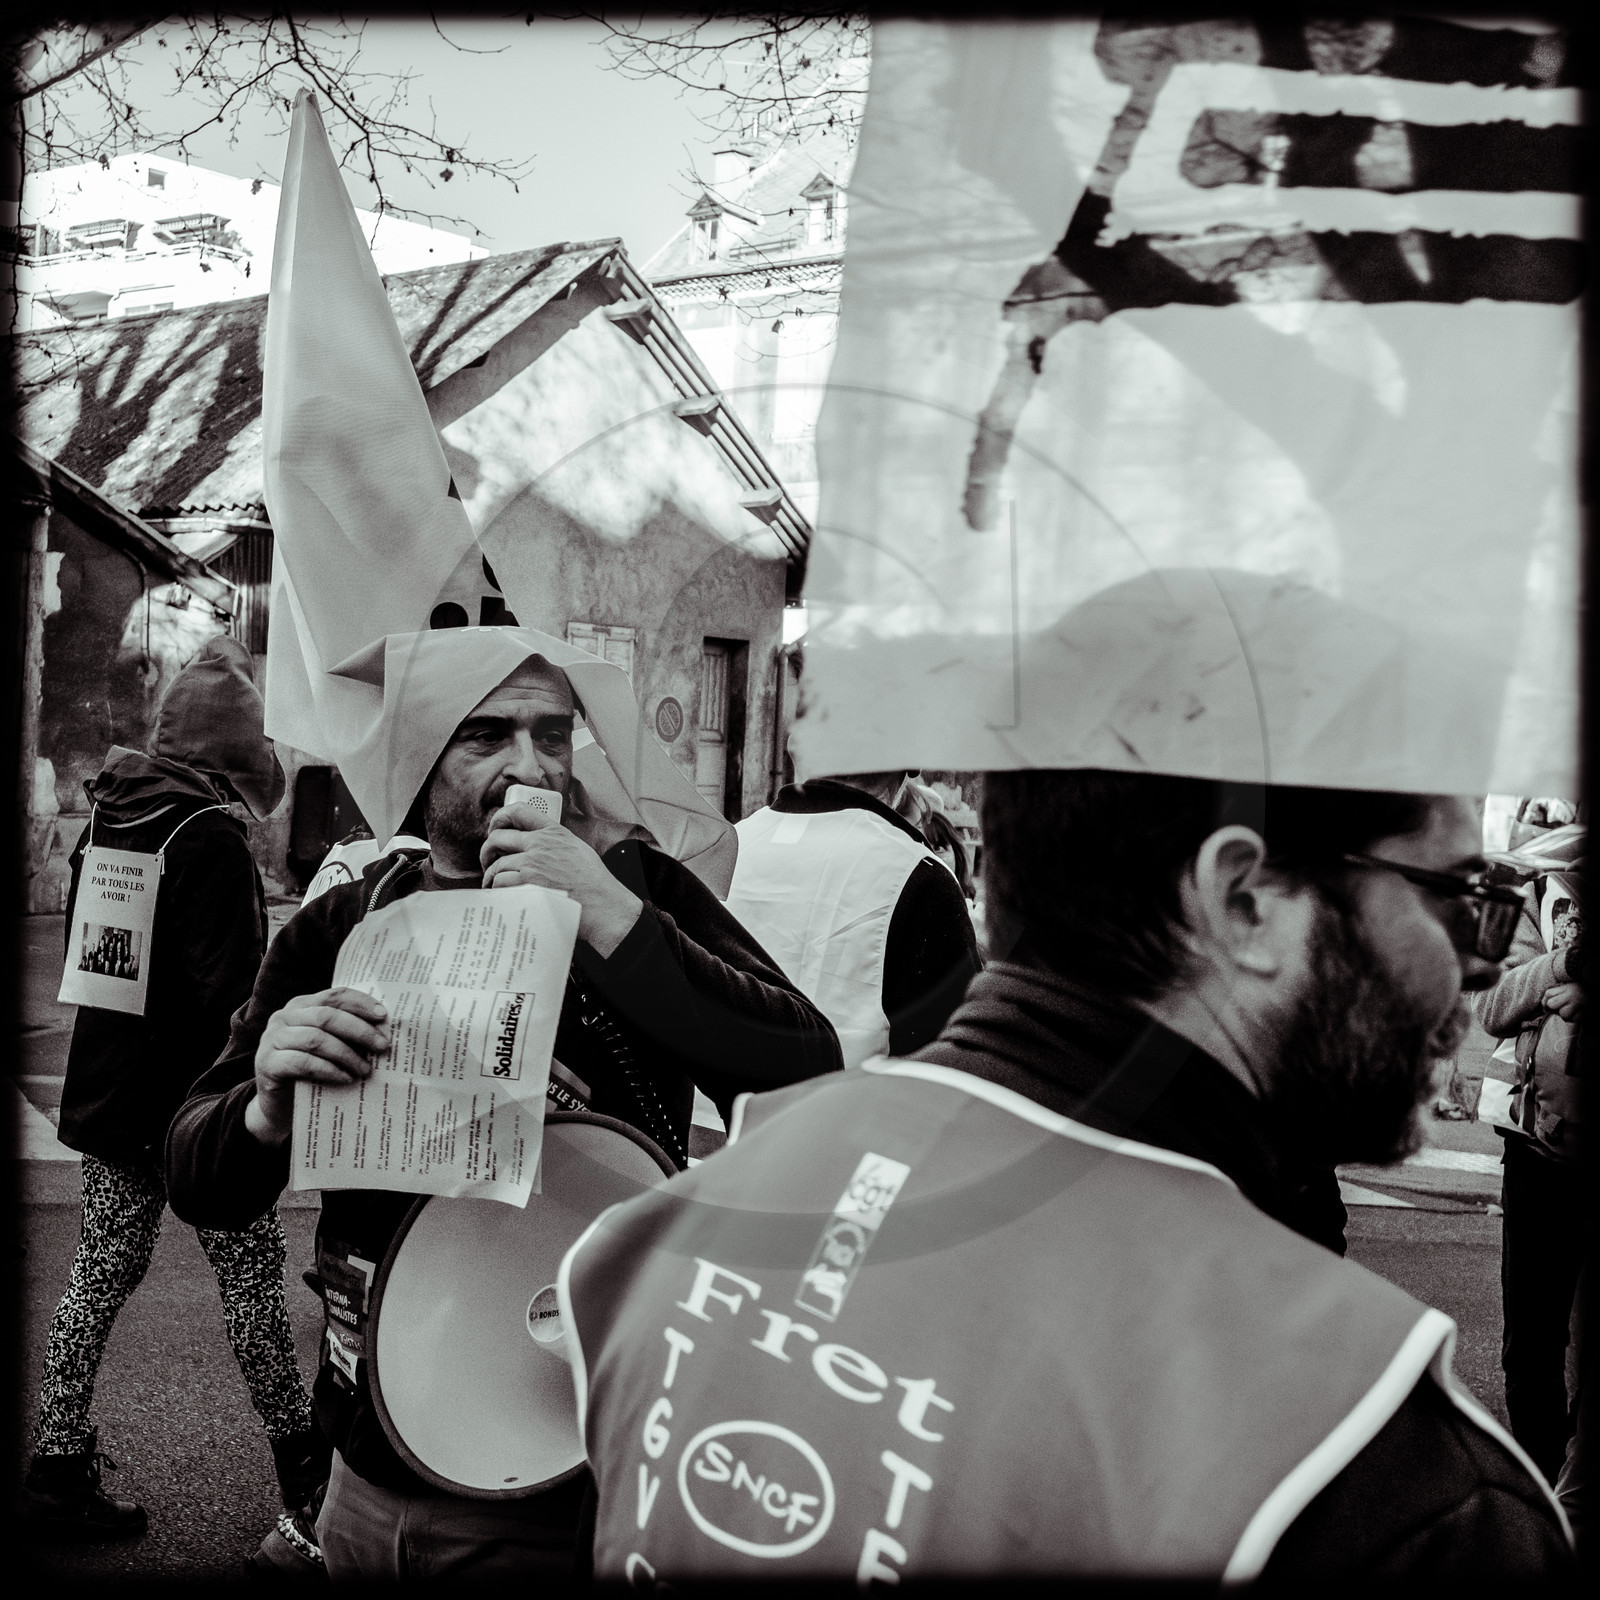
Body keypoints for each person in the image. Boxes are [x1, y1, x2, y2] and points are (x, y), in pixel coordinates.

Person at [560, 769, 1572, 1582]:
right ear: (1244, 900)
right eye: (1467, 901)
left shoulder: (648, 1241)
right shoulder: (1391, 1487)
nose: (1481, 965)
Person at [164, 626, 842, 1584]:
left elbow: (808, 1069)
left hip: (565, 1475)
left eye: (553, 736)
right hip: (368, 1461)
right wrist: (266, 1111)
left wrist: (609, 914)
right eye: (487, 737)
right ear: (419, 760)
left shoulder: (637, 892)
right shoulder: (345, 923)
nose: (532, 770)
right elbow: (197, 1175)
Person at [17, 636, 324, 1542]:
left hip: (115, 1102)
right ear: (238, 755)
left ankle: (56, 1465)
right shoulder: (212, 838)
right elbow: (236, 996)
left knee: (99, 1277)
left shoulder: (112, 819)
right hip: (198, 1113)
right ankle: (306, 1480)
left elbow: (98, 960)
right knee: (253, 1288)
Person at [723, 769, 982, 1069]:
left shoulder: (729, 845)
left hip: (719, 1114)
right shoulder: (919, 874)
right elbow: (952, 1066)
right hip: (850, 1110)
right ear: (912, 765)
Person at [1472, 819, 1584, 1486]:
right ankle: (1542, 1487)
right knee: (1533, 1344)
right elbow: (1492, 1004)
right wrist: (1566, 965)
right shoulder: (1534, 883)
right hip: (1536, 1154)